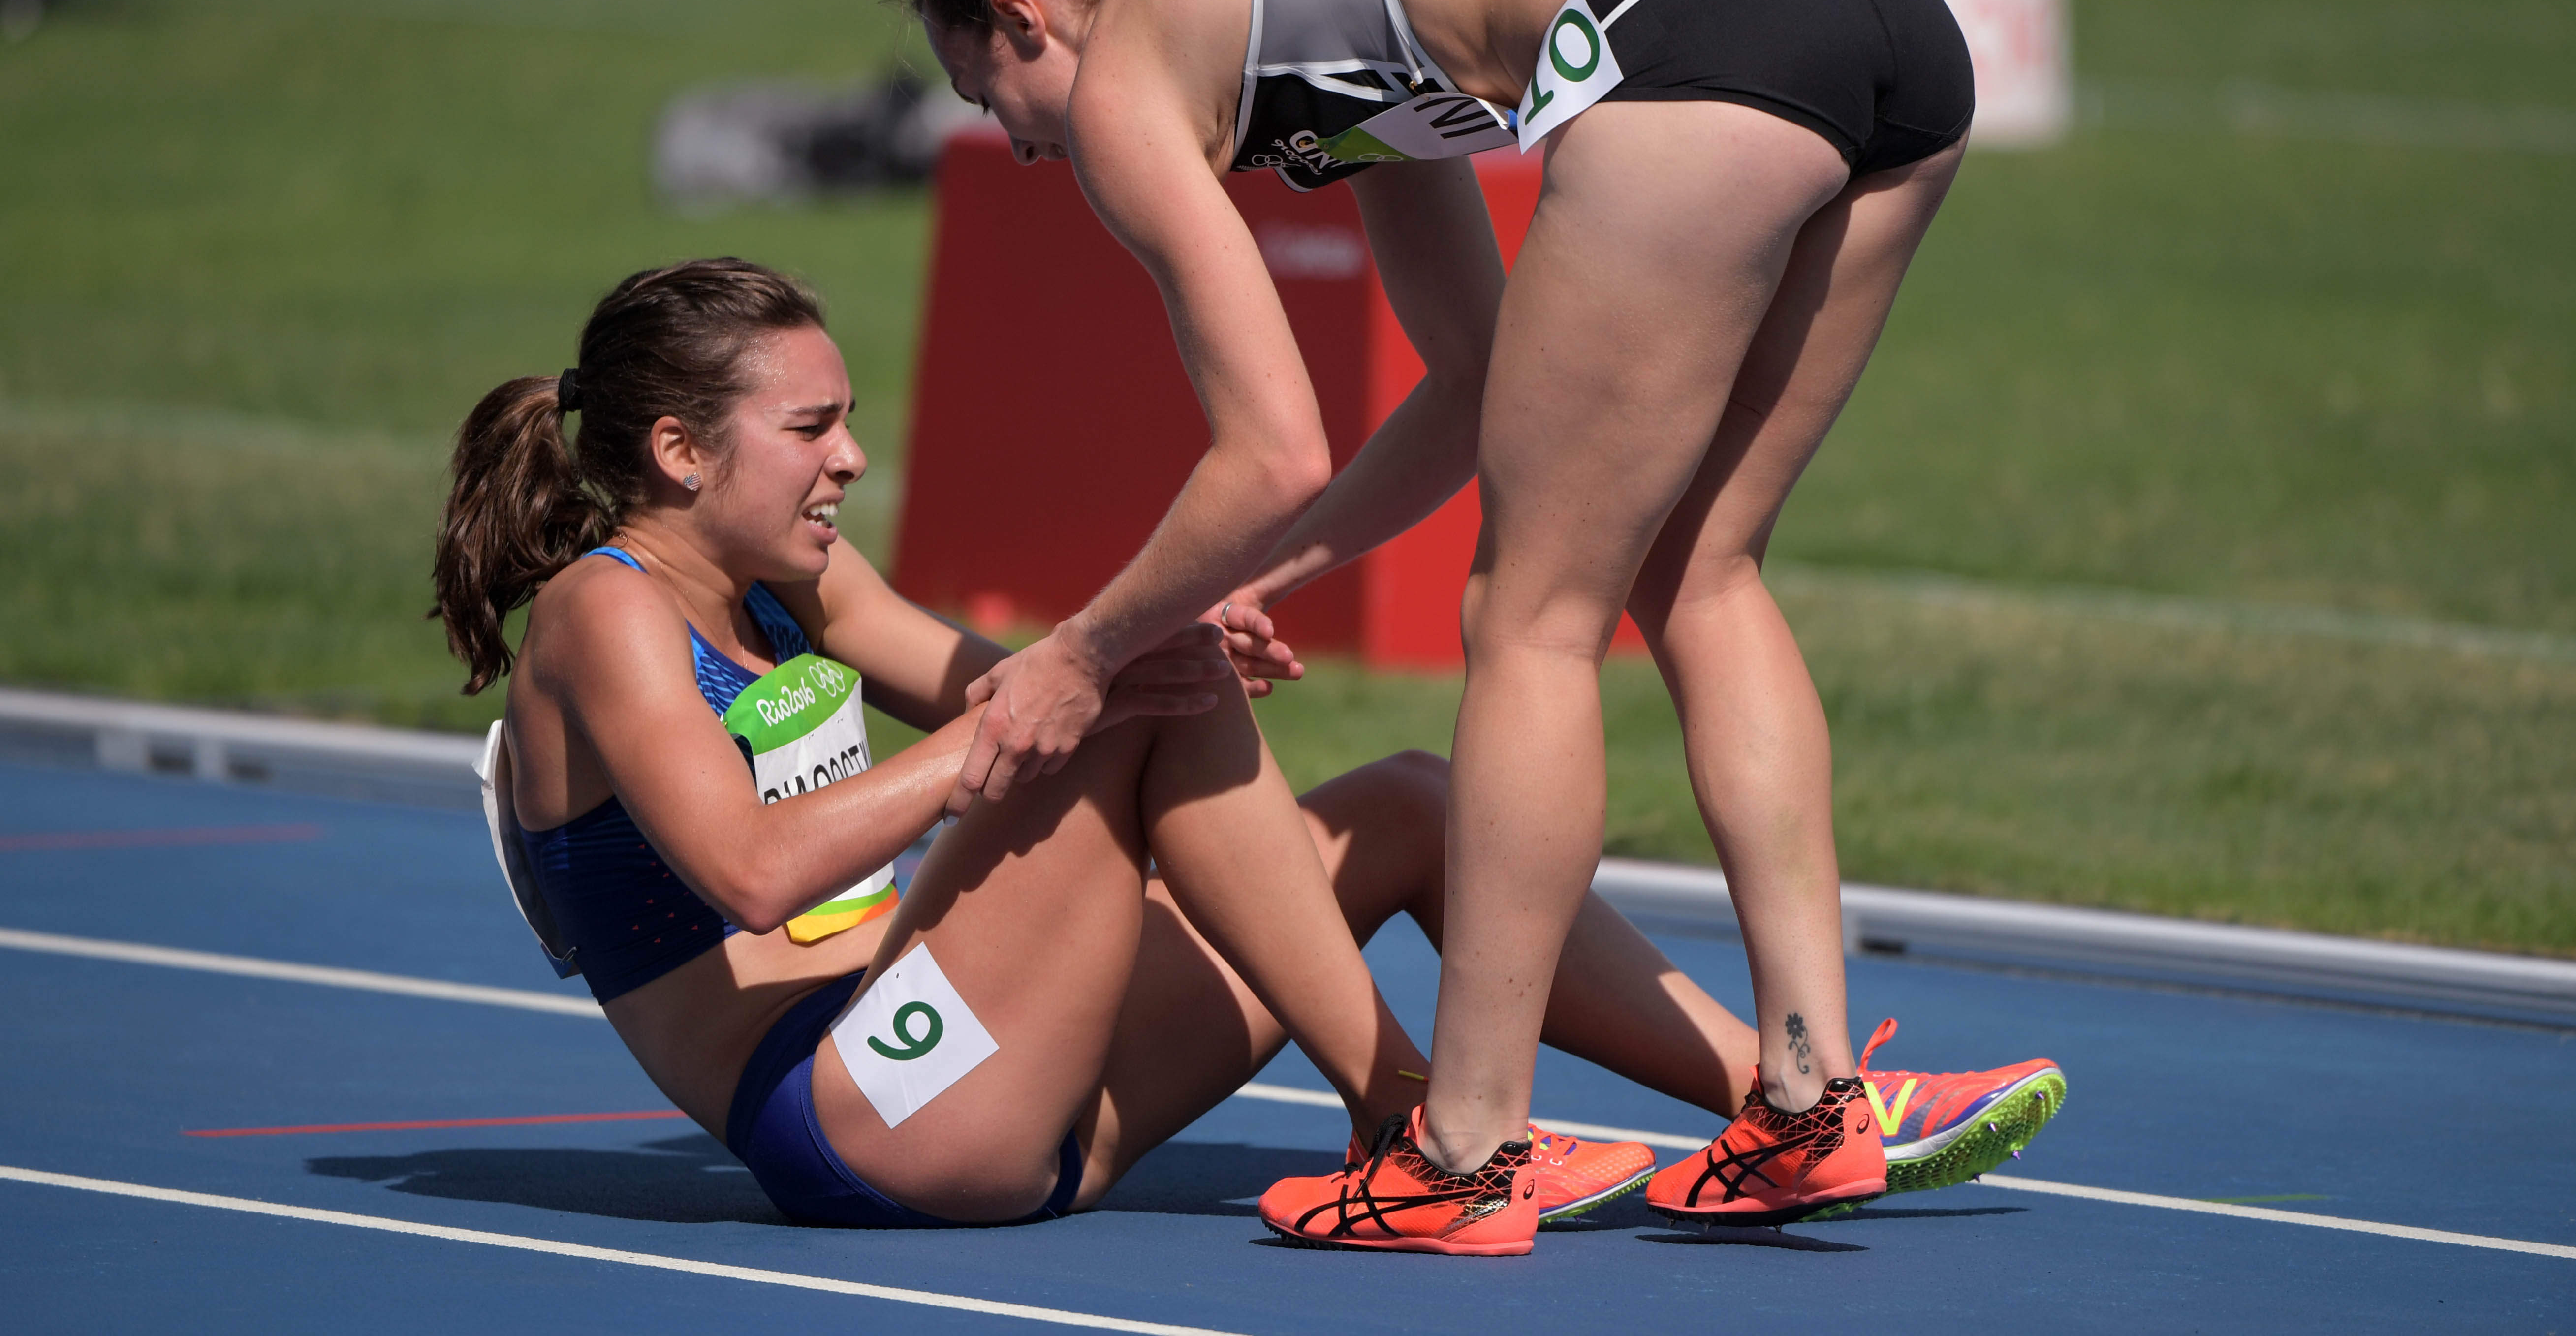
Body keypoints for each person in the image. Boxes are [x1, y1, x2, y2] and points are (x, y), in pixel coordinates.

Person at [902, 0, 1994, 1249]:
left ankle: (1467, 1150)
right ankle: (1808, 1101)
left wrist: (1078, 652)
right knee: (1698, 569)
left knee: (1528, 614)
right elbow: (1480, 378)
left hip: (1693, 32)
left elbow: (1265, 447)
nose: (1019, 146)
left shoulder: (1131, 74)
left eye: (989, 93)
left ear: (1021, 14)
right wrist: (1261, 581)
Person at [432, 258, 2058, 1243]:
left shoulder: (801, 573)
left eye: (846, 416)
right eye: (812, 429)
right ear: (674, 448)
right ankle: (1423, 1134)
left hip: (989, 1065)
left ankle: (1801, 1104)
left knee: (1417, 806)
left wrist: (1139, 654)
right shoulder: (607, 614)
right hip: (855, 1113)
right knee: (1125, 684)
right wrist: (1087, 683)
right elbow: (755, 865)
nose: (854, 455)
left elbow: (1012, 686)